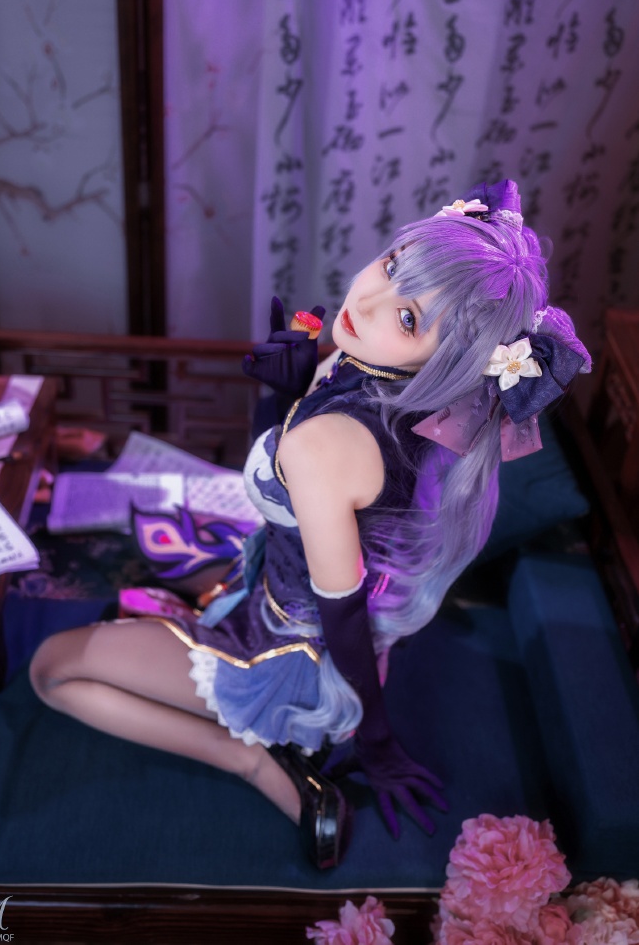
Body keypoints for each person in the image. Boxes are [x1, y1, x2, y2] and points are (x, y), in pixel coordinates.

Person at [29, 179, 590, 869]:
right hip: (281, 582)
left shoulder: (329, 443)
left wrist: (377, 740)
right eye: (392, 265)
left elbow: (340, 609)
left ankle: (249, 759)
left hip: (286, 650)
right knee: (160, 538)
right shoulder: (379, 375)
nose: (368, 300)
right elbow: (283, 479)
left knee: (51, 670)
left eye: (408, 317)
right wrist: (284, 394)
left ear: (447, 360)